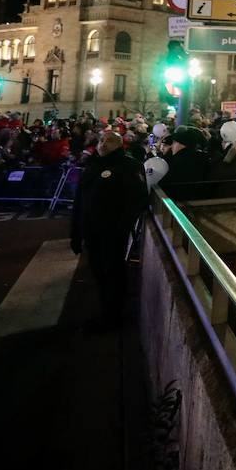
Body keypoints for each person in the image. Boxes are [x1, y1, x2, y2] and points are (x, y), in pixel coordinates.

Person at [70, 132, 146, 331]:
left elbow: (136, 200)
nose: (103, 144)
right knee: (99, 273)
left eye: (109, 141)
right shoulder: (93, 166)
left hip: (112, 232)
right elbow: (80, 202)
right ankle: (106, 312)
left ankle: (113, 317)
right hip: (91, 230)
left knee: (113, 273)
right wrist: (76, 233)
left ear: (119, 145)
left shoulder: (129, 166)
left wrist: (121, 228)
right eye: (101, 140)